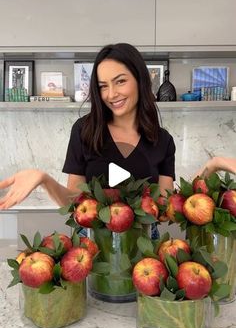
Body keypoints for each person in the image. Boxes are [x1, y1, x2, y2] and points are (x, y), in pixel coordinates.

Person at [0, 43, 175, 211]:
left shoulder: (163, 140)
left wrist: (203, 175)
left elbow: (164, 208)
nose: (111, 94)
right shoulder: (85, 130)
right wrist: (44, 179)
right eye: (103, 86)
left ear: (140, 80)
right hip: (91, 241)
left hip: (144, 241)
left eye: (120, 81)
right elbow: (74, 204)